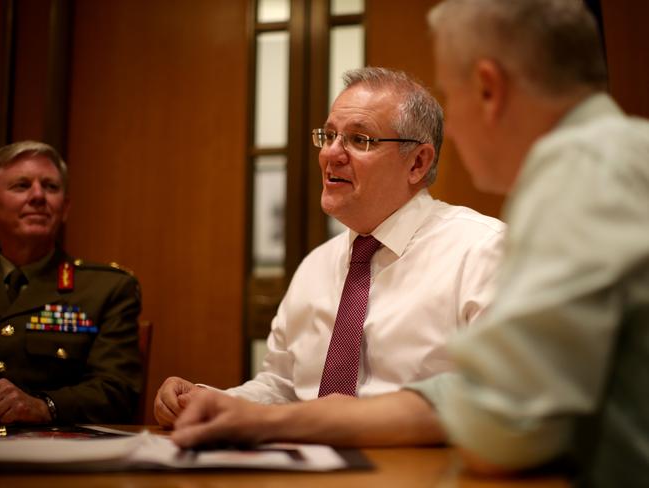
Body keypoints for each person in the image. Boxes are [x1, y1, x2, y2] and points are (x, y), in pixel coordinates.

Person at [170, 1, 649, 485]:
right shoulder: (612, 158)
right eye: (330, 135)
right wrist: (227, 405)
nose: (454, 128)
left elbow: (505, 430)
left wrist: (277, 423)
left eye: (453, 96)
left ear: (489, 88)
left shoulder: (575, 181)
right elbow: (284, 384)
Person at [154, 67, 505, 427]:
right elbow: (283, 387)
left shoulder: (484, 252)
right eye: (329, 135)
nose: (331, 154)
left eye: (359, 140)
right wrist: (210, 401)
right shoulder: (316, 266)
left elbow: (502, 399)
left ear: (417, 163)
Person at [0, 140, 142, 424]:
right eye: (22, 186)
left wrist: (43, 407)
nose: (38, 195)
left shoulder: (106, 289)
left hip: (53, 451)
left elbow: (117, 391)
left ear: (64, 209)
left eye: (51, 187)